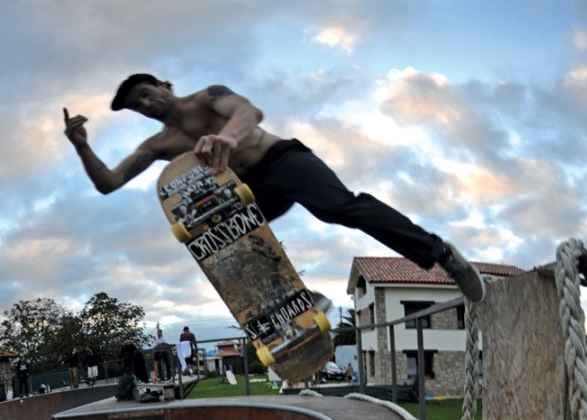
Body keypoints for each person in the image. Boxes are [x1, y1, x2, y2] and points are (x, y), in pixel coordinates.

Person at [63, 74, 485, 304]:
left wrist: (228, 136)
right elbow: (109, 183)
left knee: (338, 208)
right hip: (252, 190)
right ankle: (296, 300)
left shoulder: (208, 97)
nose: (146, 104)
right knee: (221, 238)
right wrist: (83, 148)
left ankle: (440, 253)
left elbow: (250, 110)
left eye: (146, 93)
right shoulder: (158, 145)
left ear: (165, 86)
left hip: (285, 161)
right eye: (137, 105)